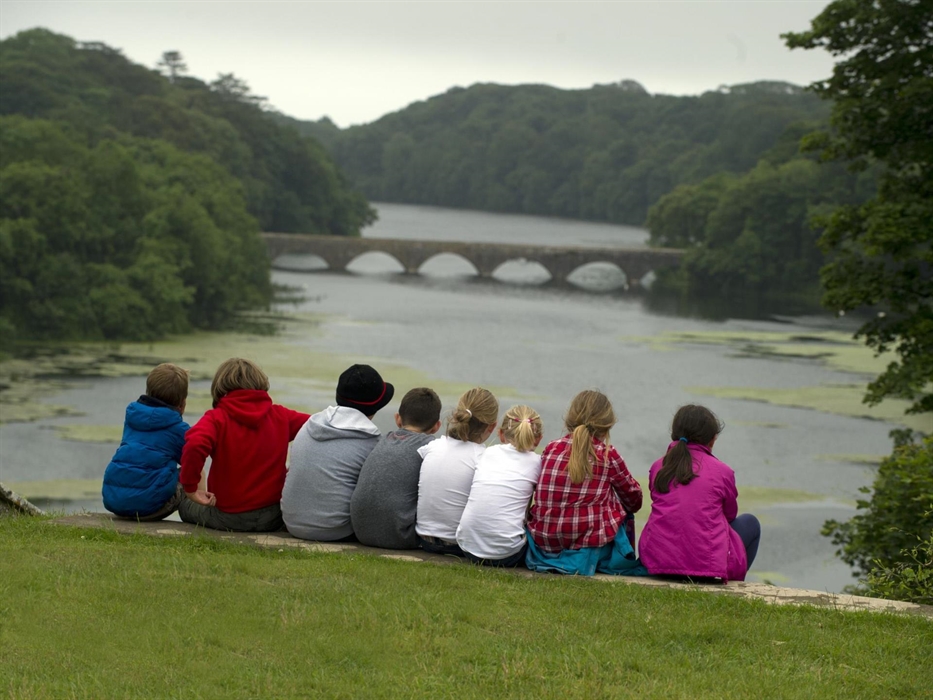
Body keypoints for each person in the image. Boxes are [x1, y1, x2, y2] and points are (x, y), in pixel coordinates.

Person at [179, 358, 310, 532]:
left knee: (184, 505)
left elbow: (195, 444)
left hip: (227, 517)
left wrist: (190, 488)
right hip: (275, 516)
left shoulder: (216, 418)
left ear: (220, 386)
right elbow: (317, 426)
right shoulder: (281, 416)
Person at [526, 390, 645, 576]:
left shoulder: (551, 448)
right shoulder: (607, 454)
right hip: (587, 545)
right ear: (607, 426)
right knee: (617, 503)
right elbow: (634, 501)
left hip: (545, 542)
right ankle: (623, 557)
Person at [638, 404, 760, 582]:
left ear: (674, 434)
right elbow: (729, 515)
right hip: (707, 568)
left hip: (657, 563)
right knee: (751, 523)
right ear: (712, 440)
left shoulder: (659, 467)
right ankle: (735, 584)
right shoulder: (722, 471)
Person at [282, 364, 394, 542]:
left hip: (292, 523)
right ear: (376, 407)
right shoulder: (371, 442)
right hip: (337, 530)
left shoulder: (309, 426)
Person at [350, 387, 442, 549]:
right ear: (436, 427)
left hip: (360, 531)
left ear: (398, 419)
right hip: (400, 536)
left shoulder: (383, 439)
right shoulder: (430, 448)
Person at [456, 405, 544, 567]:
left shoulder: (488, 453)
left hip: (467, 547)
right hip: (507, 553)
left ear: (501, 434)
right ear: (539, 438)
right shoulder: (538, 462)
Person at [415, 387, 498, 556]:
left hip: (424, 539)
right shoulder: (483, 458)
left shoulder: (432, 446)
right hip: (457, 543)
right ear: (492, 427)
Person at [102, 363, 190, 521]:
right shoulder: (179, 429)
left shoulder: (132, 417)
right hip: (149, 508)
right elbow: (191, 462)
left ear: (148, 392)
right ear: (182, 404)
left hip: (116, 501)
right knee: (192, 469)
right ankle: (200, 512)